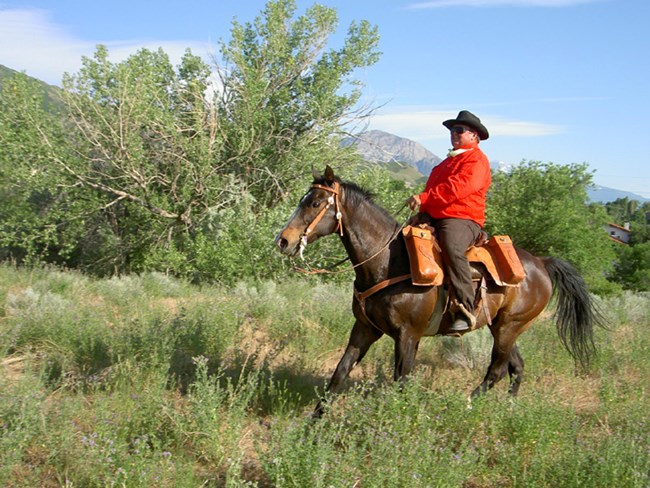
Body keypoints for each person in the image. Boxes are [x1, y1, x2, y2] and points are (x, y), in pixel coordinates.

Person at [406, 110, 491, 332]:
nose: (454, 134)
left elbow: (459, 188)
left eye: (460, 130)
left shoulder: (476, 160)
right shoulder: (447, 162)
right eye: (453, 130)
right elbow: (434, 190)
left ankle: (465, 307)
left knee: (452, 247)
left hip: (462, 217)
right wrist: (422, 212)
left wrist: (423, 198)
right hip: (435, 215)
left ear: (475, 136)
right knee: (402, 239)